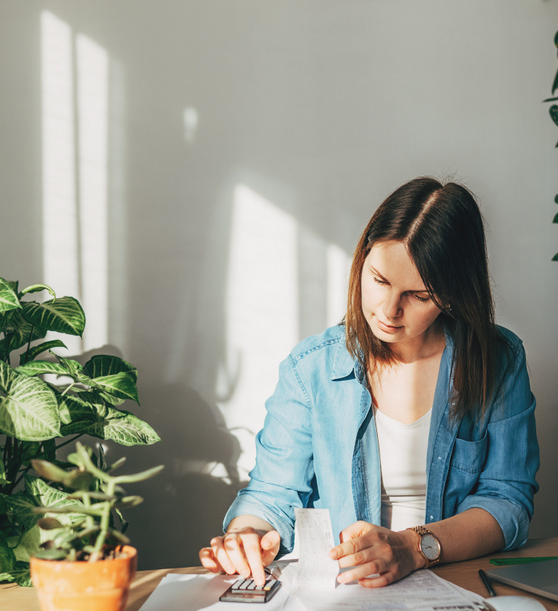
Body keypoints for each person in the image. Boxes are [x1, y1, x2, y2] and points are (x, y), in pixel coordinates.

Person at [198, 176, 539, 588]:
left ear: (451, 295)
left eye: (418, 295)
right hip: (346, 589)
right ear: (362, 260)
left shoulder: (497, 360)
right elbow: (273, 493)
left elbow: (508, 501)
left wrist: (413, 548)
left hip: (456, 578)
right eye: (379, 281)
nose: (389, 310)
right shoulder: (312, 369)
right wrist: (245, 536)